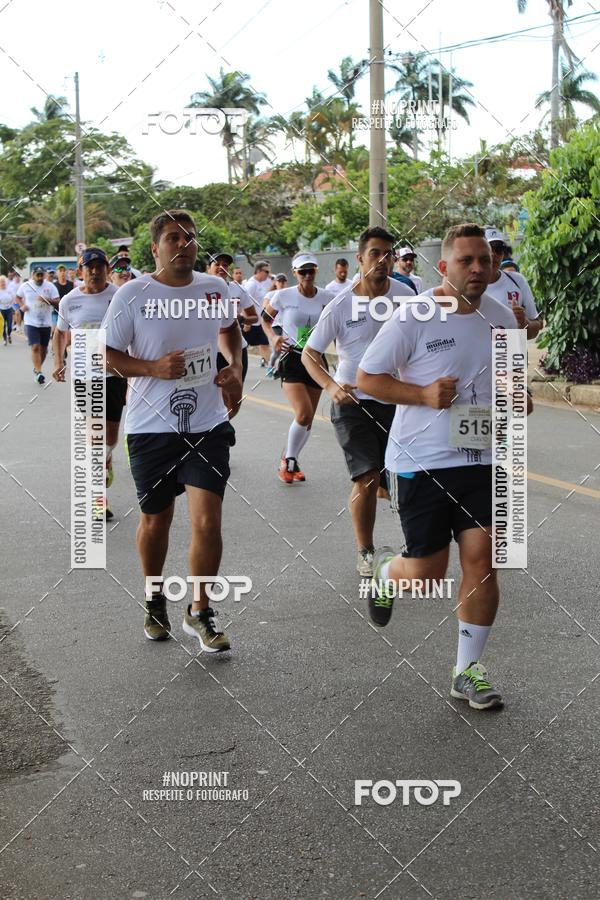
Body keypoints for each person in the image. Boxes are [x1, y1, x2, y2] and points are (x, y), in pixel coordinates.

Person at [357, 223, 524, 710]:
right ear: (445, 265)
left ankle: (467, 669)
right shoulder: (414, 315)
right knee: (429, 572)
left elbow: (510, 383)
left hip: (484, 457)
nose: (477, 268)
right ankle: (388, 571)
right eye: (467, 261)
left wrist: (520, 398)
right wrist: (423, 395)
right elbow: (369, 377)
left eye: (484, 261)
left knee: (485, 561)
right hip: (421, 461)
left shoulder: (502, 319)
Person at [102, 210, 242, 650]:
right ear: (155, 248)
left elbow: (231, 331)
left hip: (206, 425)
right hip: (150, 428)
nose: (184, 245)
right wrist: (152, 368)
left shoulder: (214, 288)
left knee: (207, 520)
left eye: (190, 238)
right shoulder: (132, 294)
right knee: (156, 519)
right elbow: (105, 353)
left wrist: (235, 367)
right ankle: (154, 598)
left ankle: (199, 611)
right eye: (173, 238)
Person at [302, 228, 415, 575]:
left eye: (388, 254)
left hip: (398, 401)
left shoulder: (407, 295)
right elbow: (309, 353)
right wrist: (331, 386)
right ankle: (365, 550)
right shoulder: (340, 304)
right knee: (365, 477)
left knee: (406, 476)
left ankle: (415, 544)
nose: (382, 261)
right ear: (360, 259)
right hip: (353, 403)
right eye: (375, 254)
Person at [52, 248, 126, 520]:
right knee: (95, 438)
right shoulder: (69, 301)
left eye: (99, 266)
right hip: (84, 376)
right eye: (89, 267)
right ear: (79, 271)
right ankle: (98, 500)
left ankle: (106, 460)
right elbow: (60, 334)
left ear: (107, 268)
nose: (94, 271)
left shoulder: (119, 296)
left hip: (116, 374)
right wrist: (58, 361)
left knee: (111, 438)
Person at [262, 252, 334, 483]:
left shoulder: (327, 296)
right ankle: (288, 460)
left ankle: (291, 459)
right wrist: (273, 339)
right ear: (294, 273)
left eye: (310, 270)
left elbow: (339, 321)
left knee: (309, 418)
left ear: (316, 271)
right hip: (292, 357)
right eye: (302, 271)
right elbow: (265, 319)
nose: (307, 275)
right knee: (302, 413)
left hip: (315, 359)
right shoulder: (283, 296)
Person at [207, 251, 257, 383]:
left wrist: (242, 318)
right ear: (208, 268)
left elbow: (254, 317)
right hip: (210, 350)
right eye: (217, 264)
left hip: (237, 348)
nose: (221, 267)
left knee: (235, 395)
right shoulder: (199, 290)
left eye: (225, 265)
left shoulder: (238, 289)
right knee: (213, 394)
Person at [484, 228, 542, 340]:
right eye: (489, 248)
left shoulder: (518, 280)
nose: (493, 254)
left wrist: (523, 322)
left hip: (512, 352)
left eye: (499, 249)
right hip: (480, 354)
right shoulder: (467, 286)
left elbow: (536, 327)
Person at [16, 266, 59, 383]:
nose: (40, 277)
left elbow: (58, 301)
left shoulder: (50, 286)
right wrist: (21, 306)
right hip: (31, 322)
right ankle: (39, 372)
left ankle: (37, 368)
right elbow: (18, 297)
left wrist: (47, 300)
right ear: (32, 275)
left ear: (44, 275)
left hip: (45, 323)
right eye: (37, 275)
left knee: (44, 349)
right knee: (35, 346)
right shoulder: (26, 286)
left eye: (41, 275)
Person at [242, 260, 272, 367]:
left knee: (264, 343)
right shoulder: (251, 284)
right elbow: (243, 303)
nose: (268, 274)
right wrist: (247, 322)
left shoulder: (262, 283)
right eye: (266, 272)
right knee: (241, 346)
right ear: (258, 271)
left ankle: (271, 366)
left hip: (259, 321)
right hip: (250, 322)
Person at [265, 274, 289, 375]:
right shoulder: (271, 295)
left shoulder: (290, 293)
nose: (282, 284)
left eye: (283, 282)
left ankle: (281, 369)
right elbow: (265, 309)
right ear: (276, 283)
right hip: (276, 325)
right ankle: (270, 367)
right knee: (277, 350)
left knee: (287, 348)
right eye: (279, 281)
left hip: (287, 325)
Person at [0, 275, 14, 345]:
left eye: (4, 281)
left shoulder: (9, 290)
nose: (3, 283)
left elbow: (13, 298)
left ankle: (9, 335)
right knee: (3, 325)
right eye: (1, 282)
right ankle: (5, 339)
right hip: (1, 310)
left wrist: (11, 305)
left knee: (9, 325)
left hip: (9, 309)